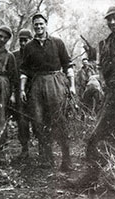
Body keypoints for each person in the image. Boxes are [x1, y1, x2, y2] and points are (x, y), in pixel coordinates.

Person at [74, 6, 115, 188]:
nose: (112, 22)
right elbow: (100, 67)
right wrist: (100, 79)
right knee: (96, 136)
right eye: (109, 19)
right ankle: (91, 177)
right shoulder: (106, 43)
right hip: (111, 96)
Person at [20, 13, 75, 171]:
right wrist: (22, 89)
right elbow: (24, 70)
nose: (38, 27)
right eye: (35, 24)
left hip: (55, 83)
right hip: (37, 85)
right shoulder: (29, 46)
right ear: (33, 26)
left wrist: (72, 86)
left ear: (46, 24)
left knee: (59, 119)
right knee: (39, 121)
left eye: (41, 24)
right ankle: (46, 159)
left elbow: (68, 65)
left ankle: (66, 159)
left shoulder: (57, 42)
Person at [12, 29, 33, 158]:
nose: (23, 43)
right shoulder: (14, 56)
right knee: (22, 121)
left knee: (38, 120)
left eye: (26, 40)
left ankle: (42, 148)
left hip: (35, 92)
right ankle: (25, 148)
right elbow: (12, 76)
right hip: (20, 91)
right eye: (21, 40)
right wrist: (14, 94)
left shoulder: (36, 54)